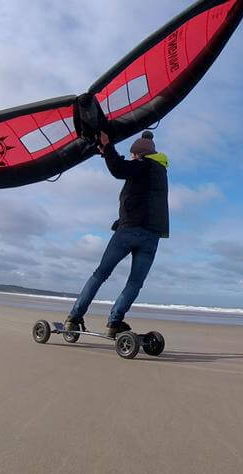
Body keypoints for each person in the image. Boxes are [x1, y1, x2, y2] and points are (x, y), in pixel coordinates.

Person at [64, 130, 169, 338]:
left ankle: (74, 317)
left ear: (139, 154)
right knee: (135, 283)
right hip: (151, 236)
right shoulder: (160, 171)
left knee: (100, 274)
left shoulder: (143, 165)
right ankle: (115, 322)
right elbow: (128, 171)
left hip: (129, 231)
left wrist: (107, 145)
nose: (131, 157)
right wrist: (109, 153)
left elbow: (119, 169)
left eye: (133, 155)